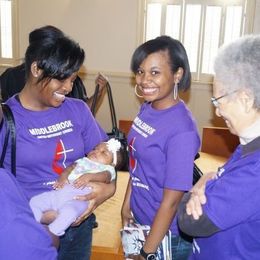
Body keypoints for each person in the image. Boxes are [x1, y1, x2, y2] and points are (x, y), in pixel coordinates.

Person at [0, 25, 116, 260]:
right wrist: (44, 216)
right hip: (32, 230)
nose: (68, 88)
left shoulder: (78, 110)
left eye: (73, 79)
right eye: (62, 78)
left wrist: (107, 190)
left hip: (79, 227)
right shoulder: (7, 118)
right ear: (36, 69)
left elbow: (107, 163)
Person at [177, 35, 260, 259]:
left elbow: (190, 222)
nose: (217, 111)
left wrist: (196, 189)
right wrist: (209, 181)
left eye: (218, 100)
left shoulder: (256, 170)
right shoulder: (248, 143)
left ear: (245, 99)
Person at [121, 35, 200, 260]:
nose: (144, 80)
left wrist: (147, 252)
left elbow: (172, 200)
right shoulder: (147, 108)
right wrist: (126, 206)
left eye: (155, 72)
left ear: (177, 74)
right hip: (140, 220)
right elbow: (137, 161)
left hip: (166, 235)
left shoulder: (182, 129)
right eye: (140, 71)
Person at [29, 138, 123, 237]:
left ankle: (53, 232)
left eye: (104, 153)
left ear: (113, 163)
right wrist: (63, 176)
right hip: (59, 193)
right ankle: (36, 224)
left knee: (70, 212)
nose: (97, 152)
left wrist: (89, 177)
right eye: (95, 149)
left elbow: (105, 177)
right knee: (35, 201)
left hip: (78, 199)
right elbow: (70, 167)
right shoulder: (83, 160)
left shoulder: (108, 169)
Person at [0, 26, 108, 108]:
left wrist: (99, 92)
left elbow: (84, 112)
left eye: (71, 80)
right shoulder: (10, 77)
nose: (68, 87)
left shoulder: (71, 81)